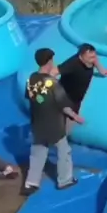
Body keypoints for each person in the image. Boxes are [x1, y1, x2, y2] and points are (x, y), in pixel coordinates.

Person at [23, 48, 84, 195]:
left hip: (38, 124)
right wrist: (75, 116)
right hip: (54, 125)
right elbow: (63, 105)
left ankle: (31, 183)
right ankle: (65, 180)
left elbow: (31, 97)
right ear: (49, 61)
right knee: (64, 151)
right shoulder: (52, 83)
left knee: (37, 153)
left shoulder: (31, 79)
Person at [58, 43, 107, 116]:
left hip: (77, 99)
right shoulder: (72, 63)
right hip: (65, 96)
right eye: (90, 57)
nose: (94, 59)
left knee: (72, 117)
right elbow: (54, 71)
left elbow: (99, 68)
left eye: (94, 56)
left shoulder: (92, 59)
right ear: (81, 56)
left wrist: (102, 72)